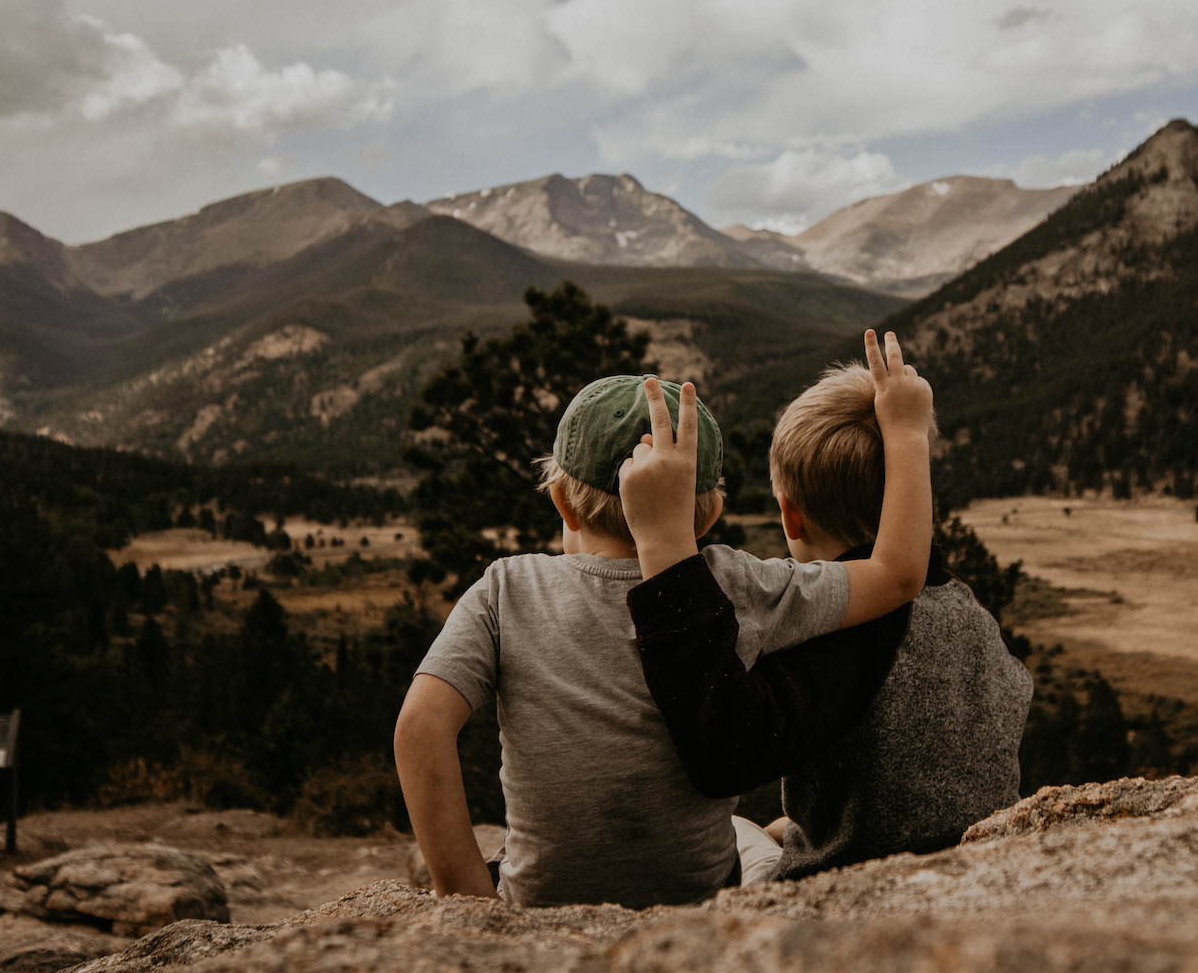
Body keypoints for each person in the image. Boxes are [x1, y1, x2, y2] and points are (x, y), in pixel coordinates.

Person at [393, 331, 934, 908]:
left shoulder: (505, 590)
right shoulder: (737, 584)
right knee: (755, 841)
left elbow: (420, 729)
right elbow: (899, 574)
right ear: (709, 514)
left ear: (561, 501)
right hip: (699, 905)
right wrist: (903, 430)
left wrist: (471, 902)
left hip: (538, 902)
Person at [626, 360, 1033, 882]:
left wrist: (668, 556)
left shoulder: (839, 631)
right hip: (981, 870)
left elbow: (724, 750)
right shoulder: (968, 609)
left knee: (737, 835)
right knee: (771, 829)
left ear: (789, 514)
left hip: (848, 889)